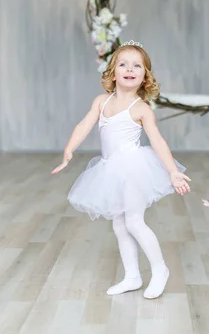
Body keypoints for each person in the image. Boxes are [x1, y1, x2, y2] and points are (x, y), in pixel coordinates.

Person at [51, 41, 190, 299]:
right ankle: (132, 276)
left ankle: (160, 270)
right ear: (112, 72)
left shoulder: (140, 109)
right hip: (110, 171)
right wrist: (69, 150)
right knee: (119, 224)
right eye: (123, 64)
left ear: (144, 76)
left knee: (135, 222)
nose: (130, 69)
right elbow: (84, 125)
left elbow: (157, 141)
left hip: (133, 170)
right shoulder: (102, 102)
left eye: (137, 65)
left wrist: (172, 171)